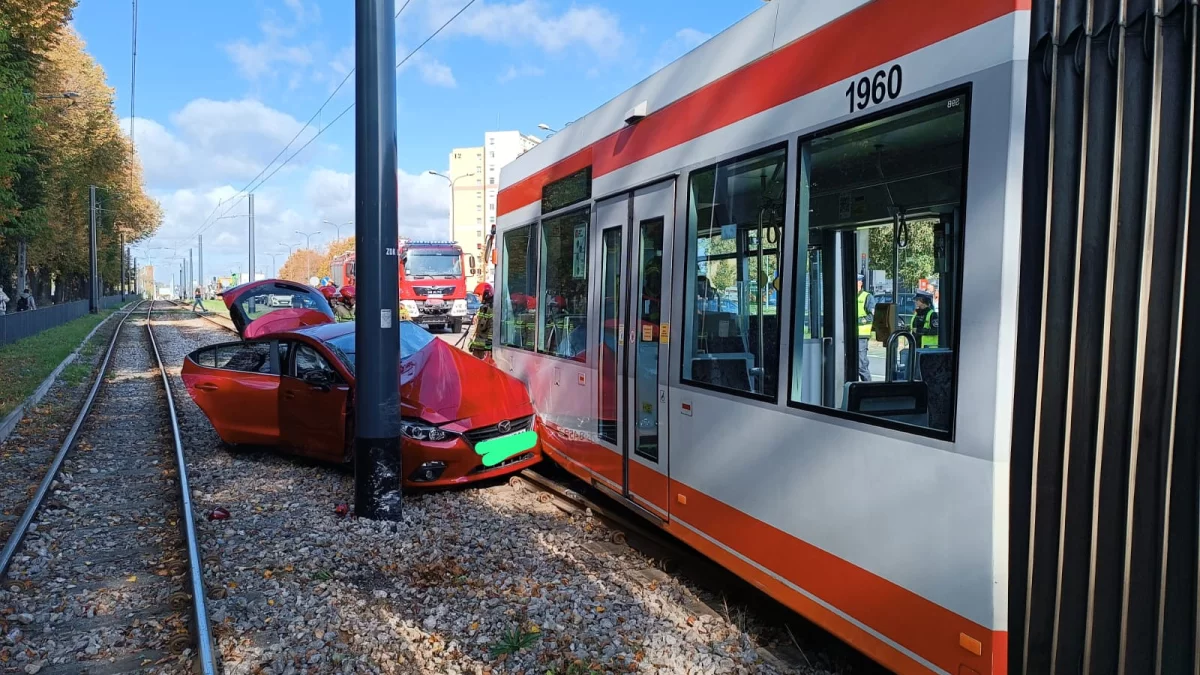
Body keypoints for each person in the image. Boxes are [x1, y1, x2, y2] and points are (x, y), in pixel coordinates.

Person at [856, 275, 875, 382]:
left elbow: (872, 316)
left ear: (860, 283)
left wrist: (858, 320)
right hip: (850, 335)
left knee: (861, 365)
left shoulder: (867, 297)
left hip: (861, 335)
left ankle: (868, 387)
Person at [469, 283, 493, 359]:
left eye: (479, 296)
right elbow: (477, 330)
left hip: (485, 350)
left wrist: (489, 345)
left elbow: (492, 328)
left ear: (486, 295)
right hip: (477, 348)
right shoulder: (482, 309)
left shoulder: (492, 310)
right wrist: (472, 343)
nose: (478, 299)